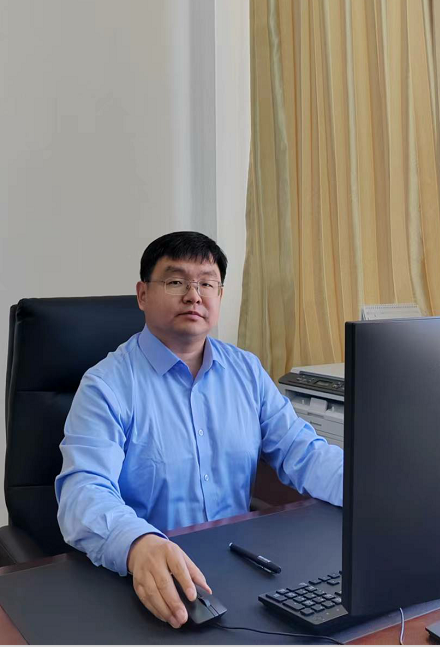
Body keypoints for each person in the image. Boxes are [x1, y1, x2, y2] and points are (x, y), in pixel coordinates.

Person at [55, 231, 343, 629]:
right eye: (176, 281)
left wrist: (371, 490)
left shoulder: (246, 371)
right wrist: (138, 544)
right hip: (149, 576)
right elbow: (82, 491)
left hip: (240, 568)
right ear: (143, 294)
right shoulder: (107, 385)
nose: (194, 295)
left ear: (219, 295)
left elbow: (303, 452)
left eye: (207, 284)